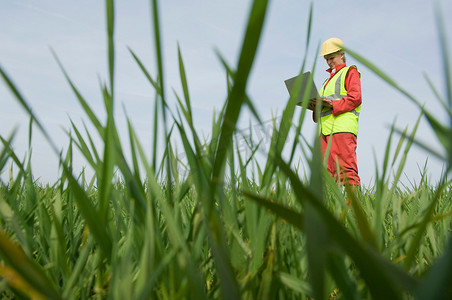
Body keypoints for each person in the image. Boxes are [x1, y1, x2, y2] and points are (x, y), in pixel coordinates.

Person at [310, 37, 362, 186]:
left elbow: (355, 98)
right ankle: (331, 206)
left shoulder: (350, 72)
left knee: (346, 171)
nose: (329, 62)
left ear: (342, 54)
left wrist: (332, 104)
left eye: (331, 58)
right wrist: (312, 105)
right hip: (324, 131)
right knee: (325, 173)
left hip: (342, 128)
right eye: (326, 59)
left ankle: (353, 207)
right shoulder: (326, 82)